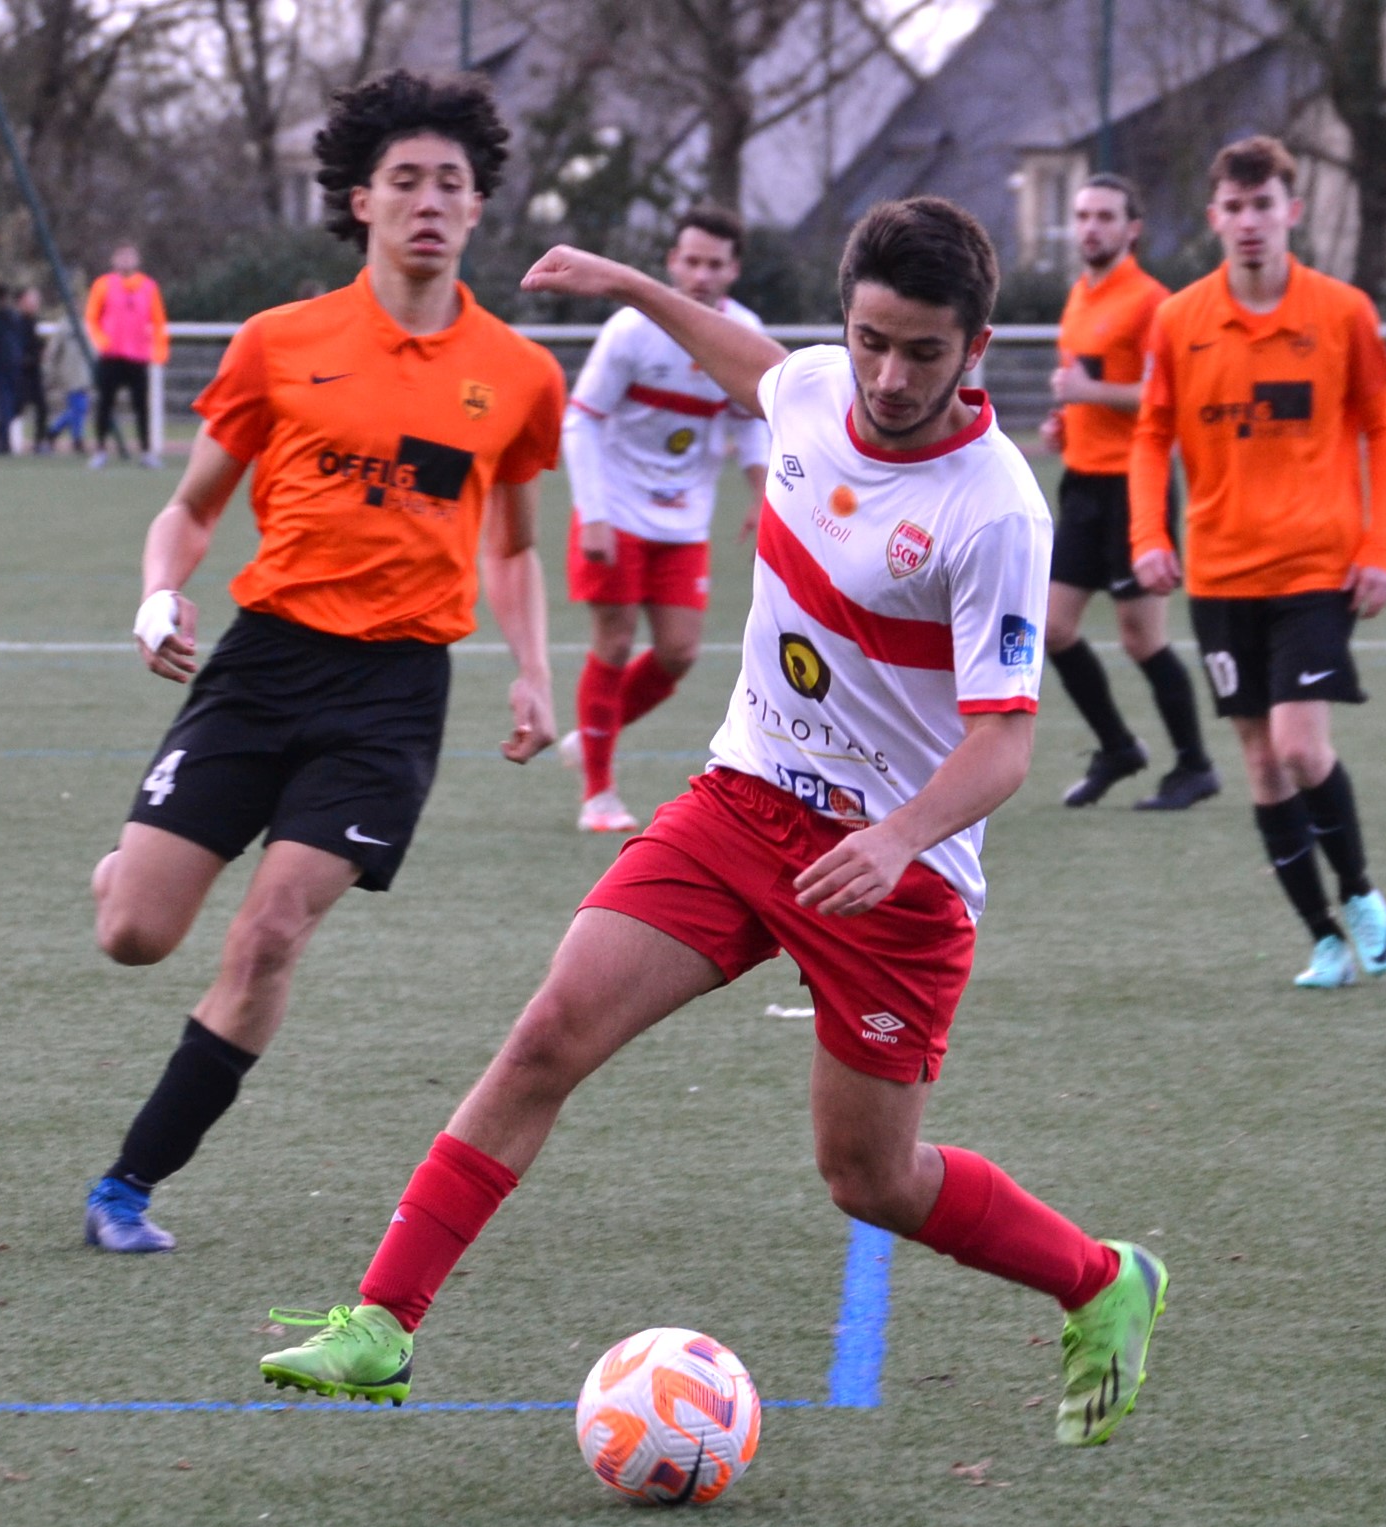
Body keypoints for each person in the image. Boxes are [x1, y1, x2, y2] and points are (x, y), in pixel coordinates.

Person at [257, 197, 1169, 1449]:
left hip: (894, 878)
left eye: (922, 351)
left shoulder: (998, 508)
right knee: (547, 1034)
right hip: (743, 803)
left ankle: (1102, 1279)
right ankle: (381, 1322)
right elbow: (748, 363)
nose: (890, 376)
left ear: (979, 348)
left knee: (871, 1179)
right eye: (870, 340)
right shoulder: (807, 387)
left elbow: (1004, 741)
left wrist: (900, 835)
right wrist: (630, 283)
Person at [79, 68, 566, 1254]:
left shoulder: (517, 375)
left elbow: (511, 545)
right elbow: (190, 511)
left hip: (393, 697)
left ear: (479, 206)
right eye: (405, 180)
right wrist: (158, 592)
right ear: (360, 200)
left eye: (451, 182)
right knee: (137, 934)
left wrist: (535, 672)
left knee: (270, 933)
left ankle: (127, 1186)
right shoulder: (278, 343)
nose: (429, 201)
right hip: (261, 668)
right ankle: (126, 869)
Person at [1130, 136, 1386, 989]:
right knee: (1257, 759)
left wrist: (1377, 547)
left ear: (1291, 211)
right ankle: (1322, 938)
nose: (1250, 223)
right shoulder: (1180, 320)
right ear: (1215, 218)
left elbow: (1384, 432)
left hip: (1315, 569)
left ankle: (1358, 891)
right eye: (1235, 208)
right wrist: (1150, 534)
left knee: (1296, 744)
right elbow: (1151, 434)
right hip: (1219, 576)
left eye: (1265, 206)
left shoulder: (1343, 312)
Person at [555, 204, 771, 834]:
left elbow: (749, 423)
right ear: (673, 263)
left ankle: (593, 734)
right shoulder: (631, 330)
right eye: (691, 260)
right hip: (615, 512)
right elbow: (582, 417)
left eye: (715, 263)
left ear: (733, 270)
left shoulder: (742, 332)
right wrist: (592, 515)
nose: (702, 274)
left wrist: (763, 495)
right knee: (615, 644)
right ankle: (598, 791)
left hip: (683, 520)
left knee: (679, 652)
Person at [1040, 174, 1215, 811]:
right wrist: (1066, 420)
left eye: (1105, 216)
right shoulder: (1078, 296)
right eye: (1083, 214)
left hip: (1133, 486)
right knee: (1053, 629)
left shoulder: (1153, 304)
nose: (1090, 227)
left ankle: (1195, 765)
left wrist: (1091, 397)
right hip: (1081, 484)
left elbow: (1169, 398)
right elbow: (1086, 384)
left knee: (1142, 639)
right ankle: (1117, 746)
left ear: (1131, 228)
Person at [85, 242, 167, 468]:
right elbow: (91, 317)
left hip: (138, 357)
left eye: (130, 256)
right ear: (114, 260)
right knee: (104, 404)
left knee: (142, 406)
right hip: (110, 357)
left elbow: (159, 322)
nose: (126, 261)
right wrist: (102, 341)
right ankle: (100, 450)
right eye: (121, 256)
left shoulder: (149, 287)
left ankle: (146, 452)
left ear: (137, 259)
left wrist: (159, 350)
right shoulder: (102, 285)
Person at [0, 282, 32, 454]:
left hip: (6, 367)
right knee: (8, 405)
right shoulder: (9, 318)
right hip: (9, 367)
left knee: (10, 406)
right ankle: (3, 442)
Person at [44, 298, 93, 454]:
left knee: (78, 408)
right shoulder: (65, 326)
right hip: (69, 374)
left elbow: (94, 349)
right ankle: (75, 439)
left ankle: (53, 432)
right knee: (79, 407)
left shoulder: (87, 325)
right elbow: (53, 349)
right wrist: (50, 372)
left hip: (84, 375)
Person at [15, 286, 54, 454]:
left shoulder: (32, 321)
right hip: (22, 373)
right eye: (32, 299)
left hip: (33, 372)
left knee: (42, 407)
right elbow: (21, 348)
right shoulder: (17, 322)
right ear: (22, 302)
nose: (36, 303)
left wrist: (42, 350)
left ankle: (39, 443)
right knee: (17, 408)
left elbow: (34, 343)